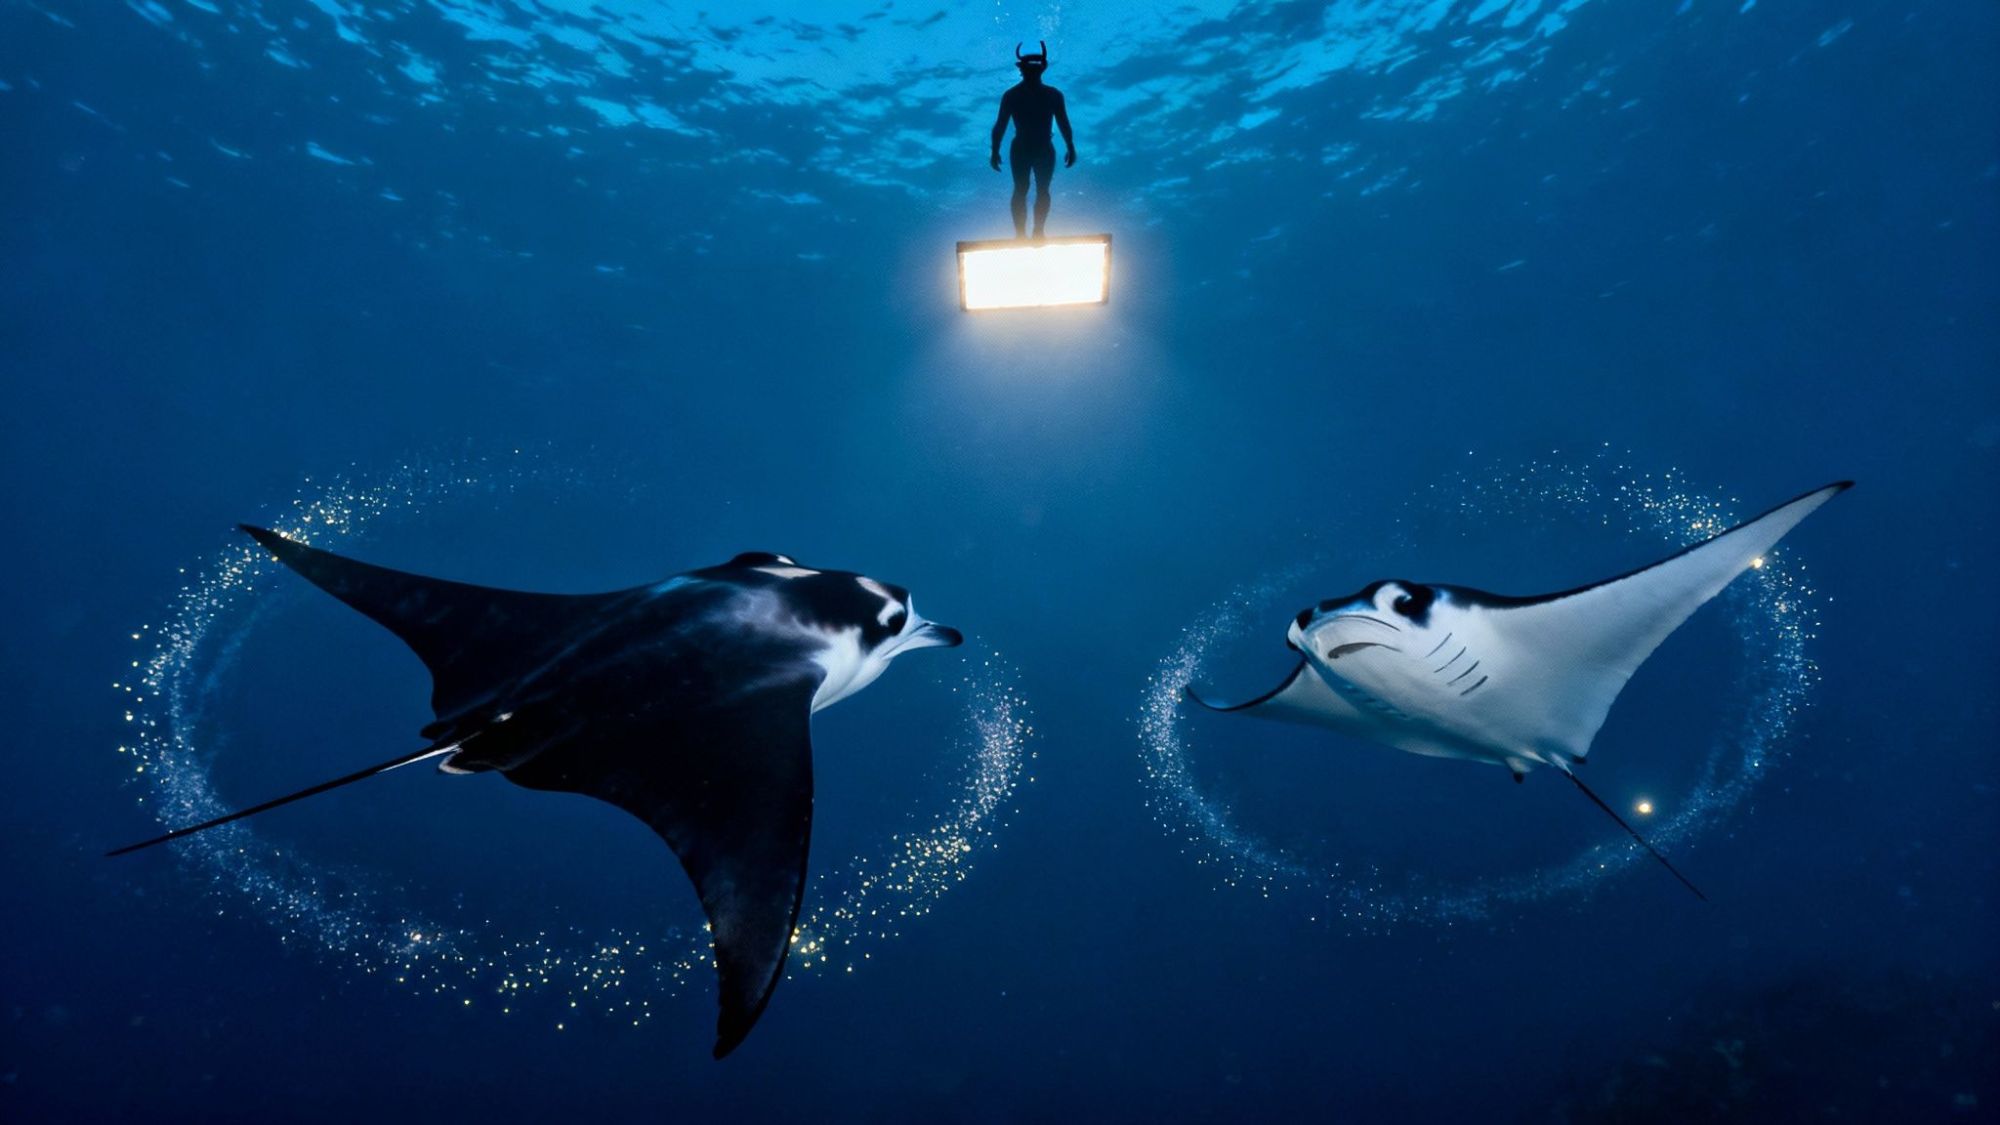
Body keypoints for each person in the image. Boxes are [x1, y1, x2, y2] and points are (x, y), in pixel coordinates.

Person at [989, 42, 1076, 240]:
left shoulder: (1023, 95)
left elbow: (1063, 122)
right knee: (1027, 189)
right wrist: (994, 150)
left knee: (1035, 190)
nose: (1031, 72)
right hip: (1027, 147)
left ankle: (1036, 231)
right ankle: (1023, 233)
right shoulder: (1022, 95)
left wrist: (1070, 145)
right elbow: (1000, 125)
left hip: (1036, 147)